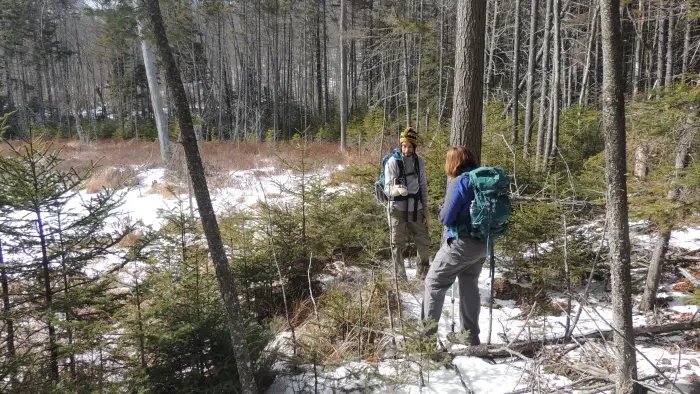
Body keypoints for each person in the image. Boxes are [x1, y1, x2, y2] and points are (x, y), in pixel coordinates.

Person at [422, 146, 486, 345]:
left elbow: (446, 217)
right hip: (483, 243)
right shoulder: (480, 181)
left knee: (434, 283)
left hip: (462, 243)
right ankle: (470, 337)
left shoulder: (459, 182)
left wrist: (441, 211)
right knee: (469, 285)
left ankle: (426, 341)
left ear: (454, 163)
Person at [383, 127, 431, 280]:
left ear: (414, 147)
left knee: (423, 240)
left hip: (416, 208)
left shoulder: (419, 162)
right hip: (397, 209)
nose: (406, 148)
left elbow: (423, 185)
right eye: (404, 145)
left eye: (410, 146)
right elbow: (386, 188)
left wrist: (426, 208)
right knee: (397, 244)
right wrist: (396, 190)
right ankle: (400, 277)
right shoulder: (392, 162)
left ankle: (423, 274)